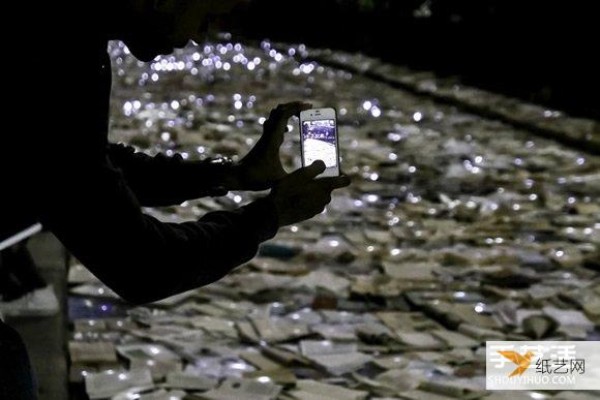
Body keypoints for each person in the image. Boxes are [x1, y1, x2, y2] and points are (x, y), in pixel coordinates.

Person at [1, 0, 349, 397]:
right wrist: (271, 213)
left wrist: (230, 174)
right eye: (204, 18)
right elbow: (143, 265)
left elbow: (84, 163)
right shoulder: (49, 57)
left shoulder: (66, 34)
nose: (196, 39)